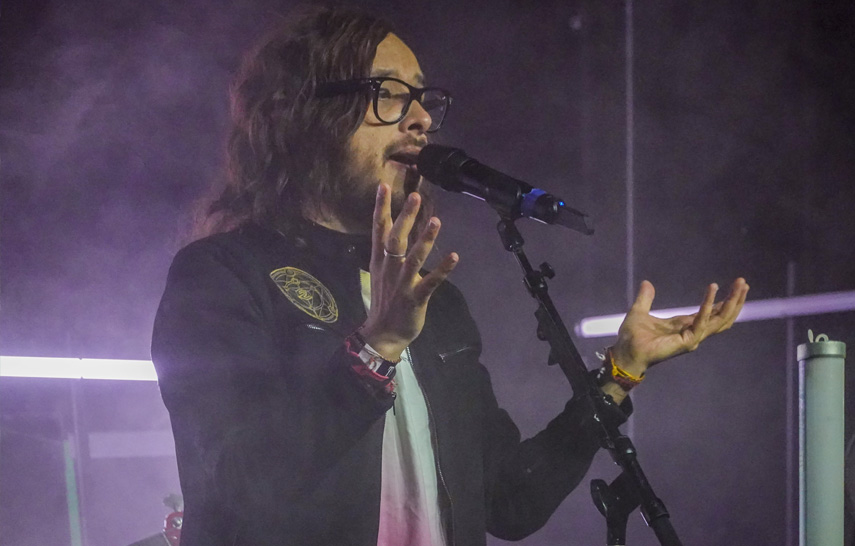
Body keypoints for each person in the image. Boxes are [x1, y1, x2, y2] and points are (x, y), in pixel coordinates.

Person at [151, 7, 749, 546]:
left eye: (422, 100)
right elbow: (243, 484)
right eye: (389, 94)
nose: (420, 120)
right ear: (304, 112)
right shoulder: (224, 274)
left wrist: (620, 374)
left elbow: (511, 501)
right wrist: (375, 349)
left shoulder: (436, 302)